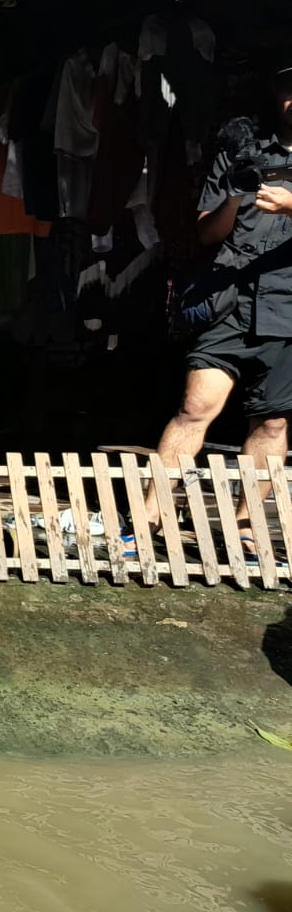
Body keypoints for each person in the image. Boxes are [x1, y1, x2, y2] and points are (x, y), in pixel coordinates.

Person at [130, 67, 292, 560]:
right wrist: (237, 195)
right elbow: (206, 233)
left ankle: (245, 529)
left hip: (288, 306)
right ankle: (146, 522)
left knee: (272, 425)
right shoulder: (242, 149)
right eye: (288, 90)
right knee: (195, 409)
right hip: (229, 298)